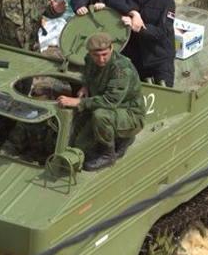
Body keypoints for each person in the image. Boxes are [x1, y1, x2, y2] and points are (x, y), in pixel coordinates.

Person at [56, 32, 145, 171]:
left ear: (111, 49)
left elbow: (110, 101)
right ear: (90, 53)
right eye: (96, 55)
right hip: (106, 108)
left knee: (100, 116)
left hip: (130, 114)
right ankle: (120, 137)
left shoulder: (122, 69)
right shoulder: (89, 59)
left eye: (105, 54)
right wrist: (85, 86)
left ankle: (108, 154)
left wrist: (79, 102)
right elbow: (88, 73)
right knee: (78, 145)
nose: (101, 59)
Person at [107, 0, 176, 87]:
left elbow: (163, 32)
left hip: (158, 57)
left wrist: (140, 28)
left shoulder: (166, 1)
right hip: (135, 55)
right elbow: (112, 0)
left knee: (164, 91)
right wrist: (133, 13)